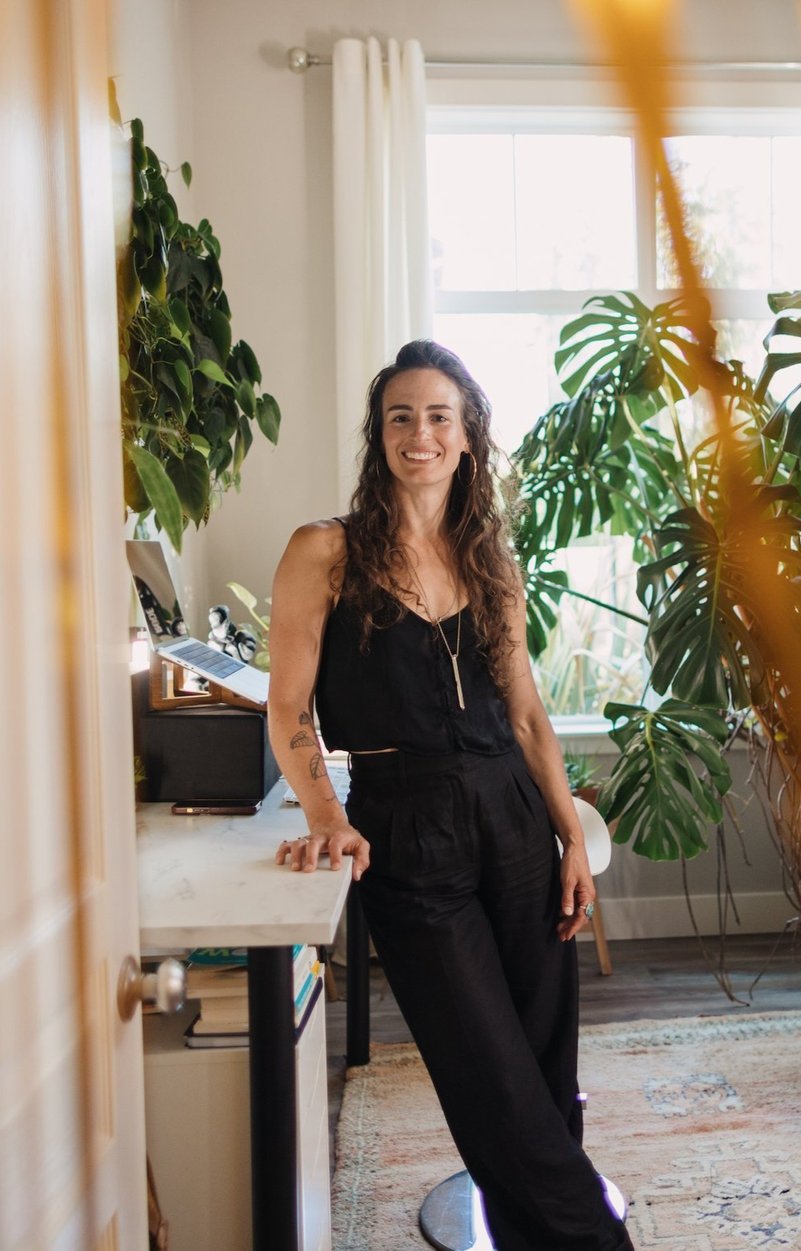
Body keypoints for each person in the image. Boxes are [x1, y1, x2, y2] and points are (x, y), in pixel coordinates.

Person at [268, 340, 634, 1251]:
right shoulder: (327, 552)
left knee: (546, 1069)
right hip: (406, 827)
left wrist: (572, 842)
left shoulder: (487, 558)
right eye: (401, 416)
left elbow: (530, 720)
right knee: (491, 1080)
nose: (419, 434)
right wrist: (327, 816)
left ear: (467, 435)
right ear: (378, 434)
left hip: (514, 821)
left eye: (439, 416)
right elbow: (287, 707)